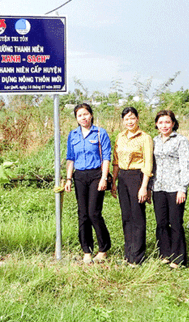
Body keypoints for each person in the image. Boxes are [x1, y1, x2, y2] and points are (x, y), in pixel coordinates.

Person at [65, 103, 111, 264]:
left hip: (96, 175)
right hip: (79, 177)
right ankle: (87, 250)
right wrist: (68, 179)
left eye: (86, 114)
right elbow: (70, 158)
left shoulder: (100, 133)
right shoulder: (73, 135)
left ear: (91, 115)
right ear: (76, 118)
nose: (83, 117)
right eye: (80, 115)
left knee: (94, 213)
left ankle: (103, 248)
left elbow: (106, 157)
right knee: (82, 214)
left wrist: (104, 178)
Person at [111, 107, 153, 266]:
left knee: (137, 217)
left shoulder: (145, 138)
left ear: (137, 119)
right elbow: (116, 161)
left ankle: (137, 256)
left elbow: (148, 163)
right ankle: (128, 253)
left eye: (132, 118)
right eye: (126, 119)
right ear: (123, 120)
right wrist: (114, 182)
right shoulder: (120, 137)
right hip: (123, 177)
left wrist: (144, 187)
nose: (129, 122)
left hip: (137, 177)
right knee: (126, 216)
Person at [151, 110, 189, 268]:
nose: (164, 125)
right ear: (156, 124)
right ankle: (165, 253)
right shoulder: (154, 140)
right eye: (161, 122)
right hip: (158, 187)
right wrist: (149, 187)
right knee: (161, 222)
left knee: (175, 222)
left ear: (173, 123)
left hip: (175, 187)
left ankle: (178, 258)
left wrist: (183, 188)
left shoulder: (181, 140)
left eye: (167, 122)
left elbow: (185, 164)